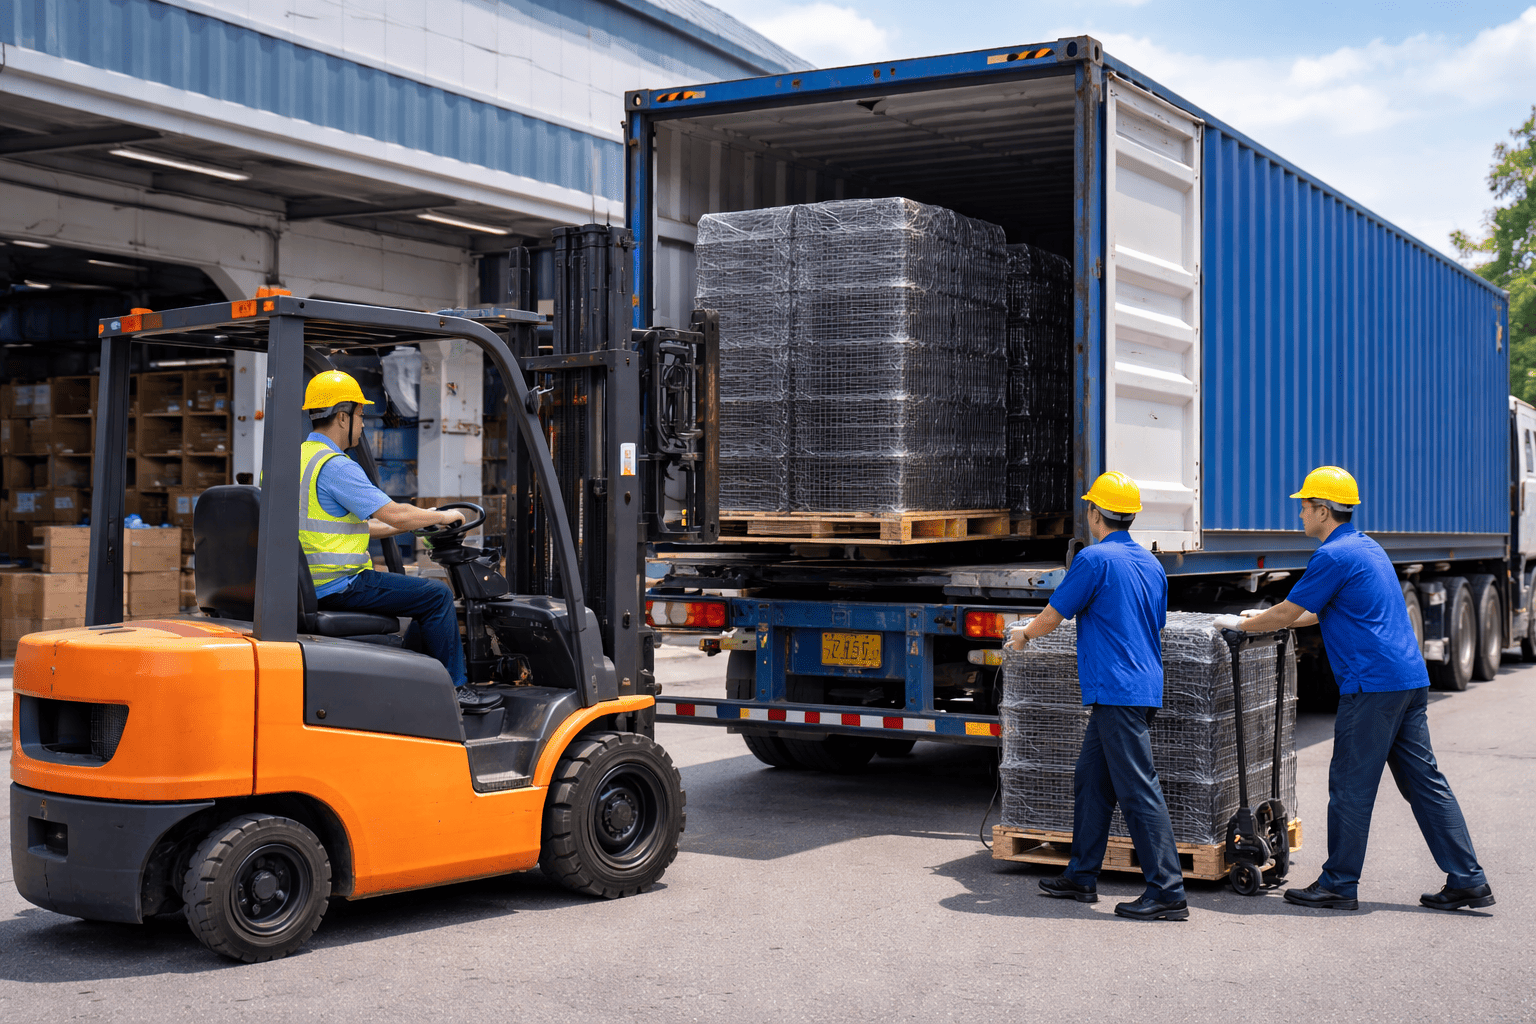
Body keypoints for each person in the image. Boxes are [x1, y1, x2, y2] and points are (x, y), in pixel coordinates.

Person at [1222, 466, 1492, 912]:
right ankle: (1468, 878)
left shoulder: (1333, 555)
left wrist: (1242, 625)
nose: (1301, 514)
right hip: (1407, 680)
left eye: (1305, 507)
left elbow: (1290, 611)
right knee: (1425, 783)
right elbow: (1312, 612)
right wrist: (1260, 615)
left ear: (1323, 510)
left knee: (1349, 784)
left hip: (1372, 686)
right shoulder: (1365, 547)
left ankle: (1339, 883)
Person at [1007, 471, 1188, 921]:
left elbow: (1054, 614)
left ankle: (1167, 891)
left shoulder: (1093, 560)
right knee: (1091, 779)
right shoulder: (1151, 564)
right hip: (1141, 687)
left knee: (1138, 790)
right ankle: (1081, 875)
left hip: (1117, 690)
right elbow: (1157, 623)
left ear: (1094, 513)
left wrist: (1022, 636)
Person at [299, 370, 501, 712]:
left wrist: (406, 527)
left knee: (419, 596)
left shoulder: (295, 460)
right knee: (436, 596)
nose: (363, 425)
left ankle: (412, 677)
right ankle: (456, 690)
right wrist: (439, 516)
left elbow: (346, 526)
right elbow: (395, 513)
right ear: (343, 416)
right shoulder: (335, 466)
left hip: (307, 584)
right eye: (361, 416)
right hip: (340, 584)